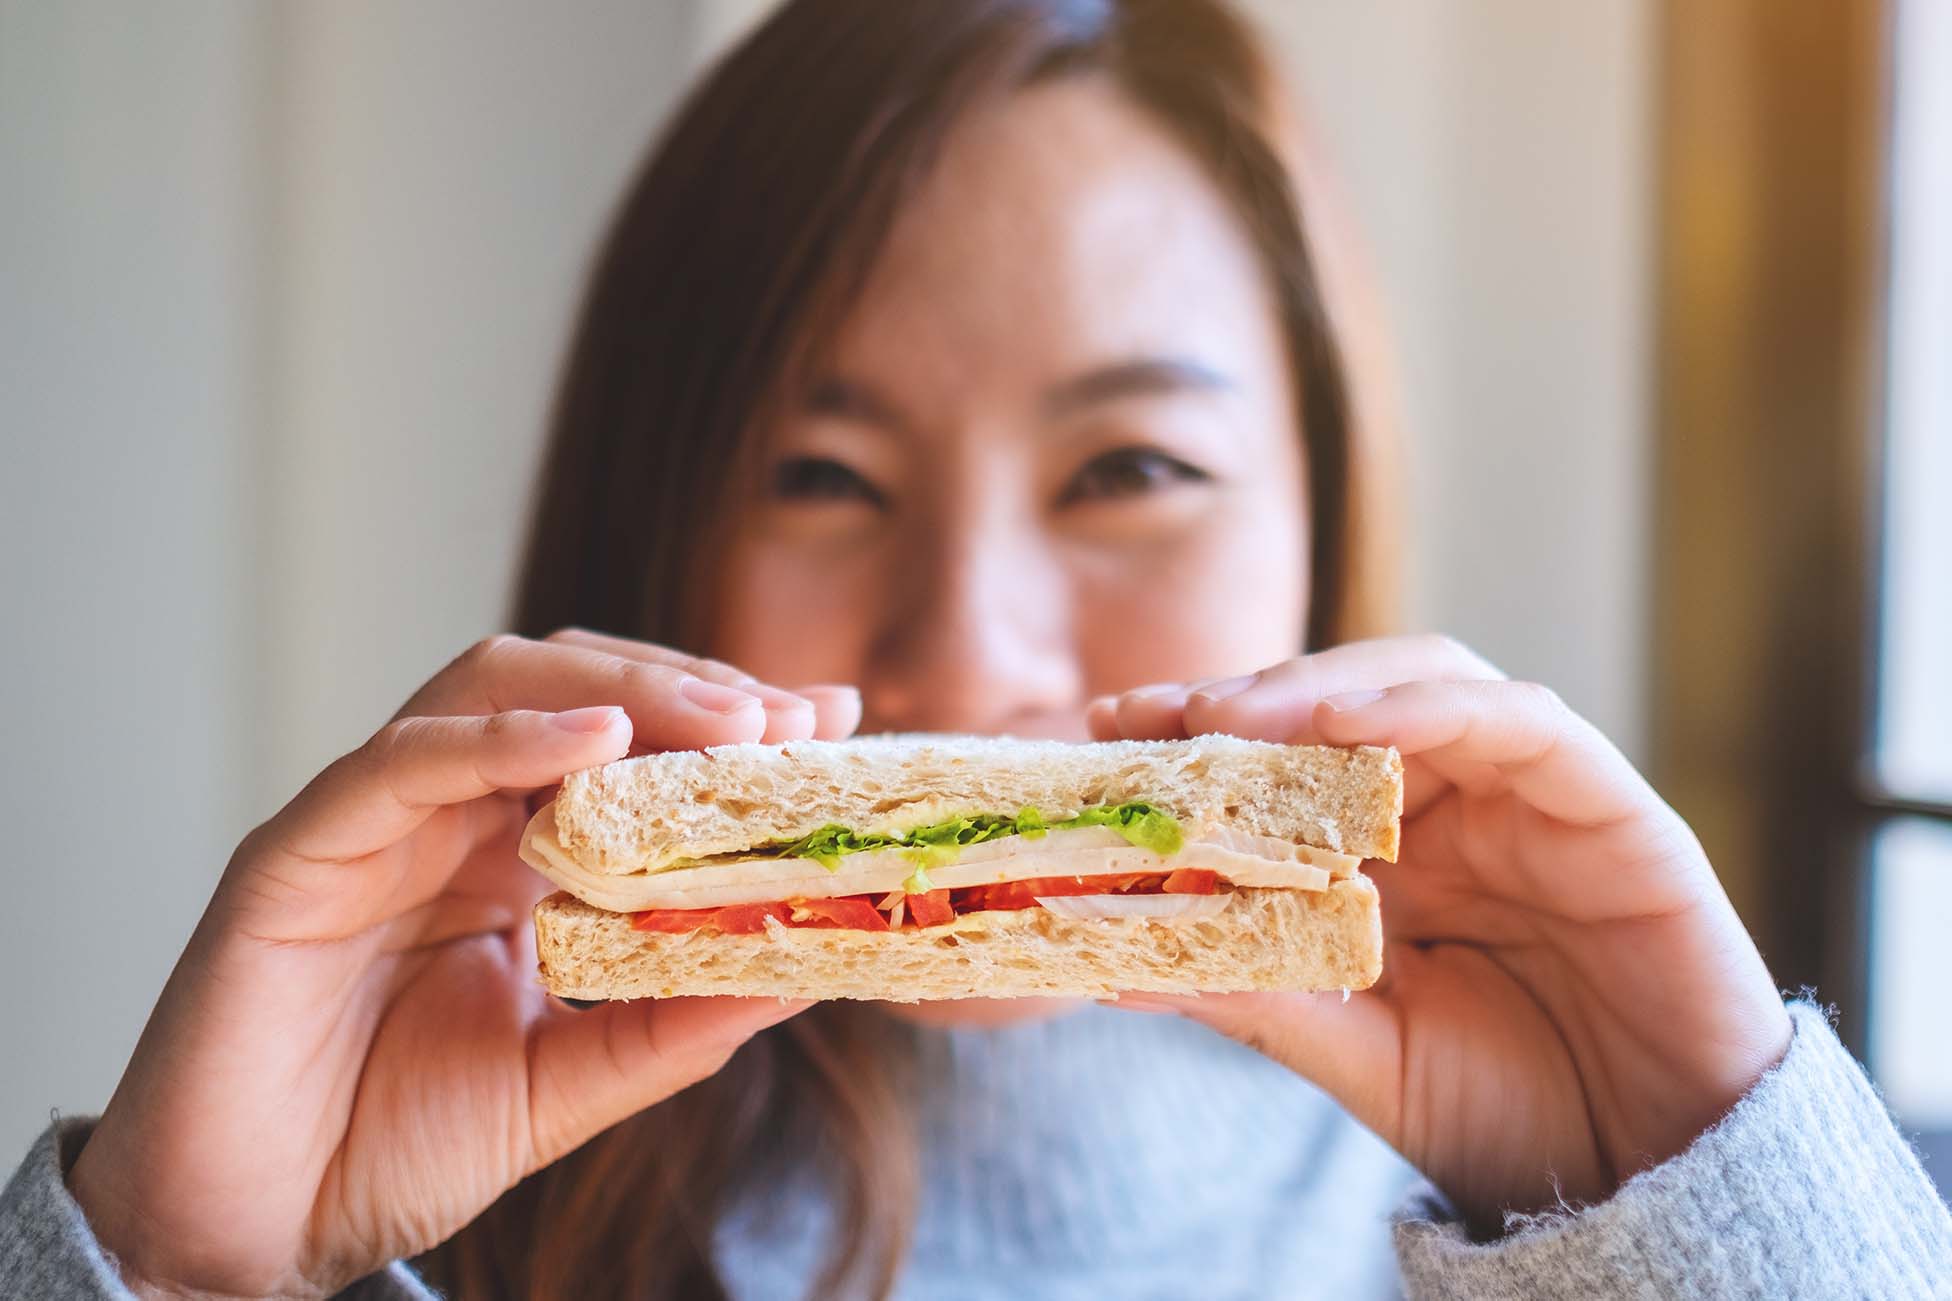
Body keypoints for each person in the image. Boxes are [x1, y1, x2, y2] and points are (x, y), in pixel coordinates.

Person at [5, 1, 1948, 1297]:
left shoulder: (1605, 1210)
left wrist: (1720, 1193)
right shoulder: (421, 1221)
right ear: (651, 527)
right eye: (823, 474)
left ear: (1322, 515)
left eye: (1124, 465)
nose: (969, 644)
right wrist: (175, 1265)